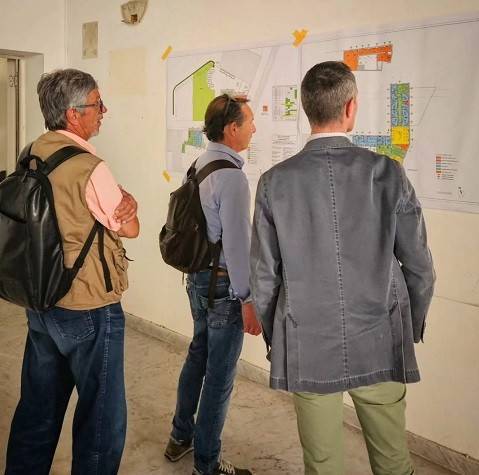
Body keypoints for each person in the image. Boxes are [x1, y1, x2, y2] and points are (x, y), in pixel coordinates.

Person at [250, 61, 435, 475]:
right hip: (379, 335)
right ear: (350, 107)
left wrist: (279, 338)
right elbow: (420, 267)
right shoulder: (388, 172)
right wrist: (409, 326)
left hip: (308, 340)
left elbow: (264, 278)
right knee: (394, 463)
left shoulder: (274, 182)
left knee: (322, 465)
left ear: (306, 108)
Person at [4, 68, 139, 475]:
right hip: (89, 305)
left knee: (37, 409)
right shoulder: (89, 166)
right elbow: (130, 227)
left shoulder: (31, 152)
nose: (103, 111)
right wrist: (130, 201)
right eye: (97, 104)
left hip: (42, 298)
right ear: (73, 114)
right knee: (101, 420)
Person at [164, 94, 262, 475]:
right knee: (219, 376)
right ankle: (207, 464)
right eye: (249, 122)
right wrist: (248, 299)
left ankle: (180, 437)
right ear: (232, 129)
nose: (254, 128)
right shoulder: (233, 178)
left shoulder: (200, 163)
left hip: (197, 280)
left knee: (197, 355)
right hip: (223, 289)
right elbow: (237, 246)